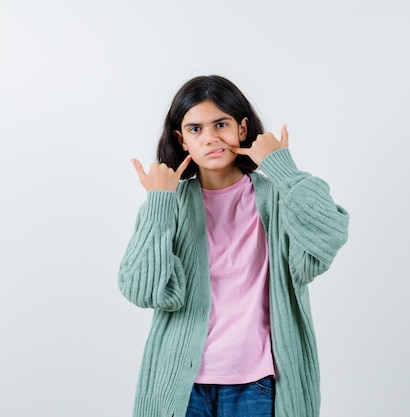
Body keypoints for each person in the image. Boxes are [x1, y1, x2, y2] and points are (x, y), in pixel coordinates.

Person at [118, 75, 349, 417]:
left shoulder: (276, 198)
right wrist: (159, 203)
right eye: (195, 129)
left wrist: (281, 169)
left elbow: (327, 236)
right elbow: (141, 289)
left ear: (242, 129)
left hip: (260, 385)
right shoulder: (170, 205)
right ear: (182, 140)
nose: (210, 138)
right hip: (182, 385)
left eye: (221, 124)